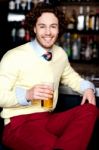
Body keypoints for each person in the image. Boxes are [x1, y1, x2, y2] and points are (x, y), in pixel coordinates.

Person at [0, 2, 98, 150]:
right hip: (18, 124)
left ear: (58, 30)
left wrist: (88, 88)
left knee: (90, 109)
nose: (48, 32)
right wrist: (28, 94)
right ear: (34, 28)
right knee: (52, 146)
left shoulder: (59, 54)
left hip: (47, 118)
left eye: (53, 26)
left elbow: (71, 77)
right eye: (42, 26)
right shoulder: (13, 56)